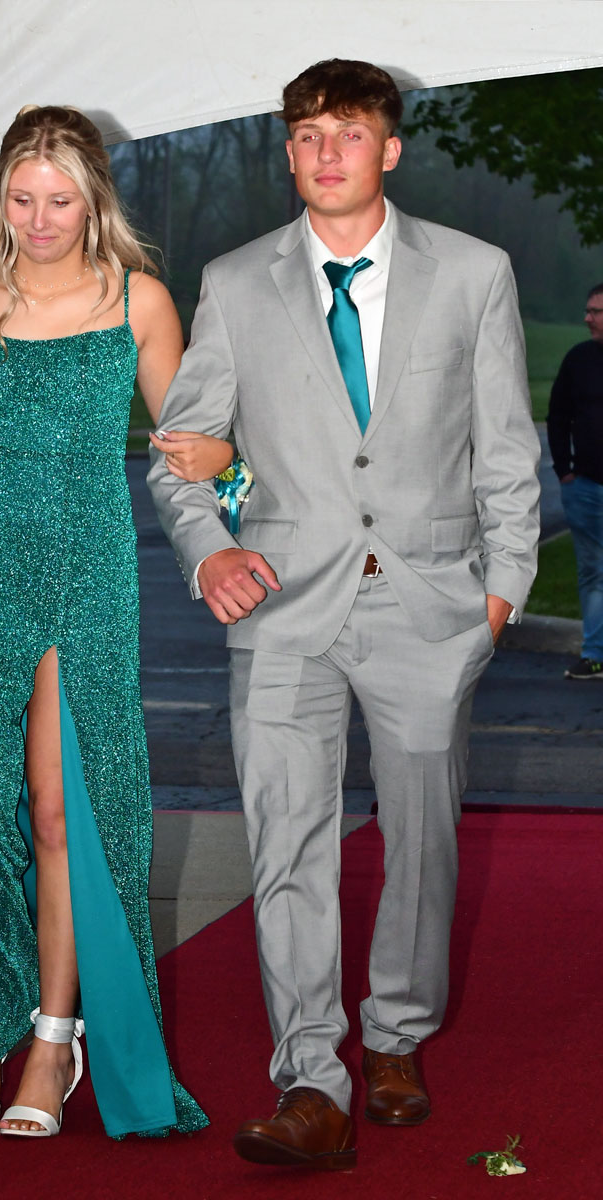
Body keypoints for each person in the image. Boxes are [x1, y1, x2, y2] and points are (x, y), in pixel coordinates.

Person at [148, 58, 540, 1171]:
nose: (327, 152)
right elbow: (182, 459)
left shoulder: (474, 274)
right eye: (307, 134)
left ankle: (396, 1035)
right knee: (285, 845)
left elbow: (505, 450)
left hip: (430, 607)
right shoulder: (232, 282)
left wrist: (498, 594)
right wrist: (209, 545)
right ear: (286, 151)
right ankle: (309, 1079)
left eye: (349, 133)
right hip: (278, 610)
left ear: (389, 149)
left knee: (421, 842)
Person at [0, 105, 231, 1140]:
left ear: (93, 200)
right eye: (21, 199)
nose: (39, 219)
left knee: (64, 811)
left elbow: (193, 446)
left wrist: (236, 476)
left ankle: (51, 1036)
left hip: (84, 579)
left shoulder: (139, 301)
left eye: (60, 200)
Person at [546, 284, 603, 679]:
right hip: (584, 487)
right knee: (593, 571)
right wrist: (564, 471)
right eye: (587, 310)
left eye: (596, 311)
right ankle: (595, 654)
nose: (588, 318)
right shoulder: (578, 360)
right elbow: (557, 415)